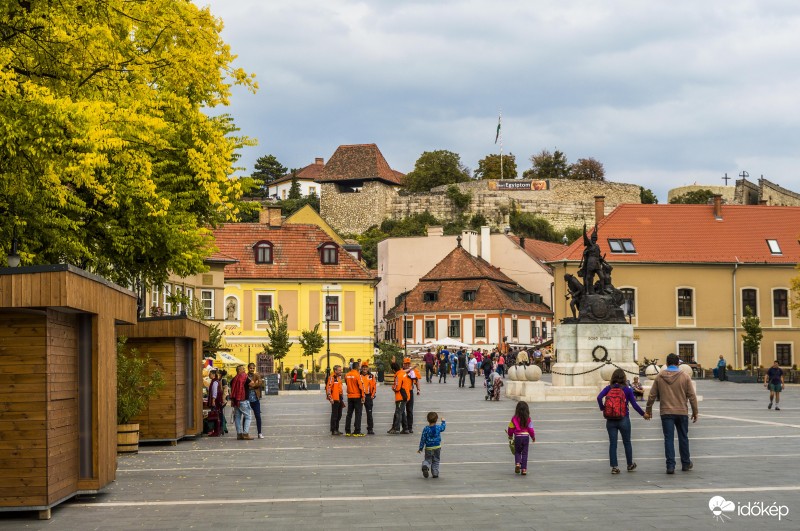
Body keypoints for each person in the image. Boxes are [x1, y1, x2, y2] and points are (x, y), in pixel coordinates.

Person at [645, 353, 699, 474]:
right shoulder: (685, 376)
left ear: (667, 363)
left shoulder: (660, 377)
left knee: (668, 439)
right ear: (678, 363)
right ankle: (685, 463)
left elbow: (652, 395)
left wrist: (648, 410)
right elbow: (692, 396)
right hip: (682, 412)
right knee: (683, 437)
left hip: (666, 412)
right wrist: (695, 411)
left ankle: (670, 466)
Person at [597, 368, 647, 474]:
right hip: (624, 418)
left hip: (610, 419)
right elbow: (634, 404)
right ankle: (629, 464)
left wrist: (602, 408)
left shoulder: (608, 388)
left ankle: (614, 467)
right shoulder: (627, 389)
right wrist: (644, 414)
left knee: (613, 444)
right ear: (624, 378)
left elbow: (599, 397)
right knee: (627, 442)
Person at [507, 401, 536, 476]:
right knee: (525, 453)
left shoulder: (514, 419)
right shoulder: (528, 419)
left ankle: (517, 464)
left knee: (517, 452)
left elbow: (510, 428)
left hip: (517, 437)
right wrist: (533, 437)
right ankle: (524, 469)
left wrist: (510, 435)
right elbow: (531, 429)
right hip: (526, 437)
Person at [418, 412, 446, 479]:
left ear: (427, 420)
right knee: (436, 460)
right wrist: (443, 421)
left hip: (428, 447)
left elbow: (423, 439)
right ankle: (435, 473)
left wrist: (420, 448)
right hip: (437, 447)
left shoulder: (426, 429)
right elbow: (443, 428)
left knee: (427, 459)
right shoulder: (438, 428)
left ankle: (425, 465)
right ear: (436, 420)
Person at [230, 365, 253, 440]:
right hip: (243, 400)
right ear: (239, 370)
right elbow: (252, 384)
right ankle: (246, 433)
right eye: (243, 369)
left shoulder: (234, 379)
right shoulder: (244, 377)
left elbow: (232, 389)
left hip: (236, 401)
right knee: (248, 417)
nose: (244, 370)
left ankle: (239, 434)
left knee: (237, 417)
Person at [389, 360, 411, 434]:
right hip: (405, 395)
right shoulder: (403, 373)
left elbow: (397, 387)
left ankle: (396, 428)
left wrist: (393, 387)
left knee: (398, 413)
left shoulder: (398, 375)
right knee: (402, 412)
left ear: (393, 370)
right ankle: (405, 428)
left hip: (401, 396)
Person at [344, 362, 365, 436]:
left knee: (349, 414)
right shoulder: (357, 375)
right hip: (357, 396)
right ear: (357, 367)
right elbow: (361, 386)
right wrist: (363, 396)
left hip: (350, 396)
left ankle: (347, 431)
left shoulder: (347, 375)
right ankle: (357, 431)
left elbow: (347, 383)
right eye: (359, 366)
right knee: (358, 414)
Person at [326, 365, 345, 436]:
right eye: (339, 370)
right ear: (335, 371)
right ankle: (333, 430)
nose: (341, 371)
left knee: (339, 415)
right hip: (334, 398)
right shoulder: (332, 378)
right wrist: (330, 398)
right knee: (334, 415)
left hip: (339, 398)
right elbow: (328, 388)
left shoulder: (338, 378)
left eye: (341, 370)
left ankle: (337, 429)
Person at [247, 363, 264, 439]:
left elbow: (260, 384)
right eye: (251, 368)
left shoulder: (257, 375)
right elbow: (245, 385)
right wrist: (254, 384)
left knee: (258, 416)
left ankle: (259, 433)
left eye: (253, 368)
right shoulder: (245, 376)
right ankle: (245, 433)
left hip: (256, 399)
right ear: (248, 368)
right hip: (247, 399)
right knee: (246, 417)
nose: (252, 369)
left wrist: (251, 385)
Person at [360, 362, 377, 434]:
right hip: (360, 396)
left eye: (366, 367)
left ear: (368, 368)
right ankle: (357, 429)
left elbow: (374, 386)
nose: (364, 368)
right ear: (361, 368)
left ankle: (370, 428)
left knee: (369, 413)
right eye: (363, 367)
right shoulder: (359, 375)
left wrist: (372, 395)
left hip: (368, 396)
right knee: (358, 413)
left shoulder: (371, 376)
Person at [206, 369, 224, 437]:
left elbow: (214, 392)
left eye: (210, 374)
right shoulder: (216, 381)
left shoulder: (215, 382)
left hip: (216, 401)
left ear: (213, 375)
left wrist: (213, 400)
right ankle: (218, 430)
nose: (209, 375)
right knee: (218, 415)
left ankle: (216, 431)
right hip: (218, 401)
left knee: (215, 416)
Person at [406, 358, 421, 433]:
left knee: (410, 410)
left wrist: (418, 389)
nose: (407, 365)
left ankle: (410, 427)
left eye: (408, 363)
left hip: (410, 391)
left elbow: (417, 380)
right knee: (402, 411)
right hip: (402, 393)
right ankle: (404, 427)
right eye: (406, 363)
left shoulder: (413, 372)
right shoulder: (401, 371)